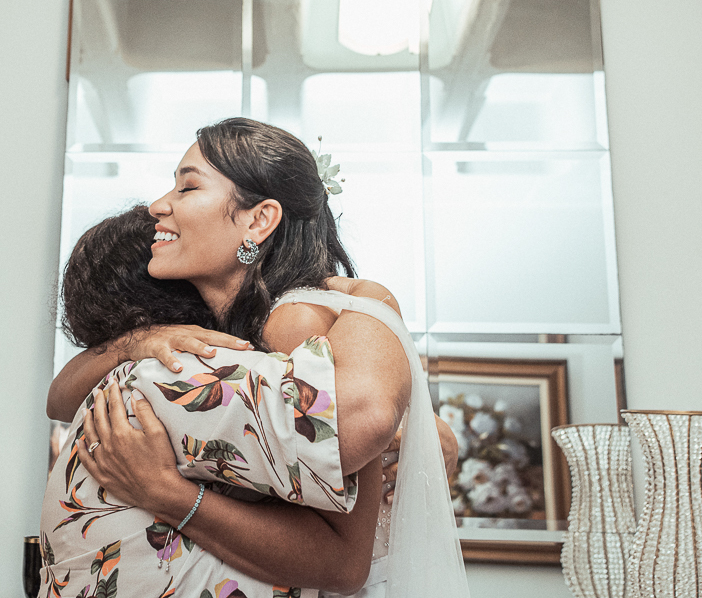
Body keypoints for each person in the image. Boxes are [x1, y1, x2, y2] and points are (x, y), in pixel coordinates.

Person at [41, 119, 469, 598]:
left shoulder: (293, 321)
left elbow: (345, 557)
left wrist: (375, 301)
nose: (157, 206)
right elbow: (59, 398)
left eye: (187, 186)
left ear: (259, 220)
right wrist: (137, 341)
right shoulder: (217, 333)